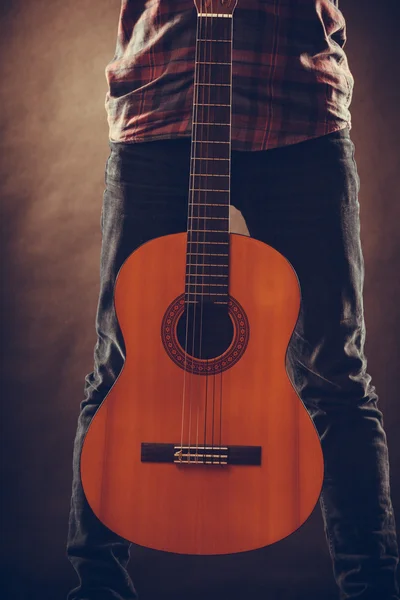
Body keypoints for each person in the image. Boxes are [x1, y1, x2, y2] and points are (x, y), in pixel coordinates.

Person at [66, 1, 400, 599]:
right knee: (118, 367)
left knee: (336, 373)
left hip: (300, 105)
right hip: (160, 99)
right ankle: (96, 589)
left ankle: (373, 588)